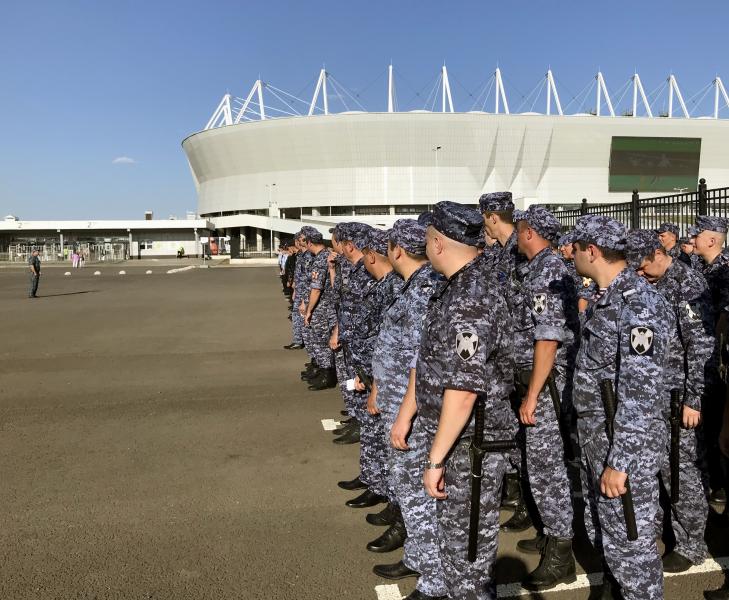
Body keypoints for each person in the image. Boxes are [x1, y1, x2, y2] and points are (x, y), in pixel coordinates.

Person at [567, 215, 676, 600]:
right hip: (600, 439)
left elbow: (640, 392)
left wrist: (621, 462)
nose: (571, 254)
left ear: (591, 251)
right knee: (610, 536)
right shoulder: (606, 297)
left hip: (623, 446)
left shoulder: (637, 306)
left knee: (633, 546)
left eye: (576, 248)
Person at [420, 201, 514, 600]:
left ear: (439, 243)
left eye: (427, 238)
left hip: (468, 451)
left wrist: (436, 460)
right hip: (460, 445)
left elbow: (462, 392)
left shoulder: (469, 297)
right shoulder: (461, 287)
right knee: (459, 558)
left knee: (469, 564)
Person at [625, 229, 714, 573]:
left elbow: (700, 347)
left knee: (683, 470)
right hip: (652, 394)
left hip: (679, 396)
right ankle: (666, 530)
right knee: (659, 467)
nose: (640, 274)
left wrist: (694, 399)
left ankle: (693, 544)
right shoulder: (648, 282)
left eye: (643, 267)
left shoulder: (687, 284)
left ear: (658, 254)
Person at [369, 219, 447, 599]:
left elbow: (421, 358)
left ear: (397, 250)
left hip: (411, 411)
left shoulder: (423, 292)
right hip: (398, 403)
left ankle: (433, 582)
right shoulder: (412, 287)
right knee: (406, 488)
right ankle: (418, 558)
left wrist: (404, 413)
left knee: (418, 494)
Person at [510, 205, 579, 590]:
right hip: (540, 382)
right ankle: (552, 534)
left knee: (547, 469)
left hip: (547, 386)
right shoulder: (540, 267)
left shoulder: (548, 270)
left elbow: (548, 338)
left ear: (531, 232)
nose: (516, 237)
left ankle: (561, 555)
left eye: (520, 230)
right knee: (541, 465)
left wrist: (533, 394)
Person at [692, 215, 729, 507]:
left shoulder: (724, 270)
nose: (693, 239)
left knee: (718, 425)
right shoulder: (705, 268)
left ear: (713, 239)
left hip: (716, 361)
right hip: (708, 359)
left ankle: (719, 485)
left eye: (698, 234)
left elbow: (722, 320)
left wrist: (715, 356)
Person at [303, 228, 337, 390]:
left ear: (309, 243)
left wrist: (309, 310)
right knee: (321, 340)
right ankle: (324, 371)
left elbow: (316, 289)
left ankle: (327, 374)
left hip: (322, 307)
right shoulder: (325, 256)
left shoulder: (320, 259)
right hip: (327, 306)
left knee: (321, 341)